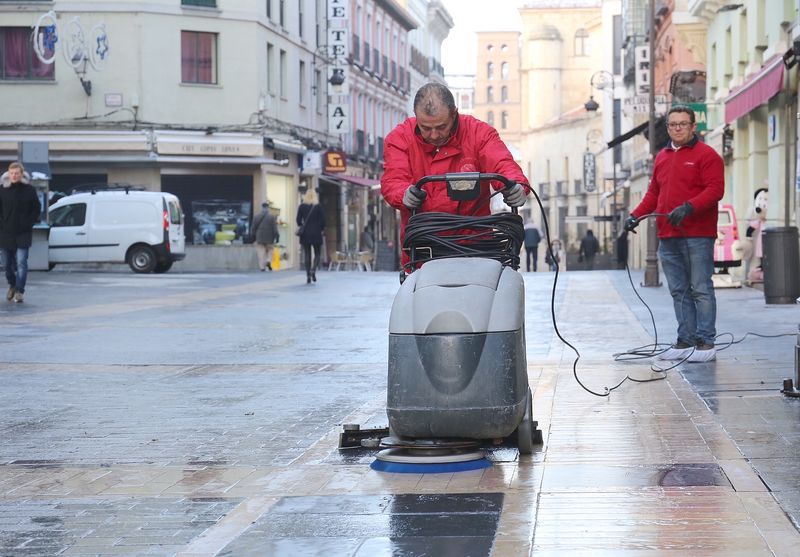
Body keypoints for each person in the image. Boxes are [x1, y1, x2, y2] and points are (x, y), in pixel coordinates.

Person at [381, 82, 530, 266]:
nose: (434, 135)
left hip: (475, 247)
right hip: (424, 250)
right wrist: (404, 194)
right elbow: (393, 179)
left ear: (454, 113)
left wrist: (515, 185)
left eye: (441, 127)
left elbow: (502, 164)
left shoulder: (479, 133)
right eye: (425, 128)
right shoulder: (400, 138)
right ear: (415, 117)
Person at [624, 105, 724, 363]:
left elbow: (715, 190)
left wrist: (690, 207)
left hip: (697, 234)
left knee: (700, 288)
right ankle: (685, 340)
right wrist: (635, 215)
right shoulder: (662, 157)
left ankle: (705, 342)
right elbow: (653, 195)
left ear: (693, 127)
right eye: (672, 124)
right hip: (668, 235)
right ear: (668, 127)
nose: (677, 128)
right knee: (678, 290)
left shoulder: (707, 155)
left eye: (683, 123)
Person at [0, 162, 41, 304]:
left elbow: (36, 208)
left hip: (23, 233)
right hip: (6, 233)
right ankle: (12, 284)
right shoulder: (2, 190)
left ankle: (19, 291)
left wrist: (29, 223)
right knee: (6, 264)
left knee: (22, 262)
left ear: (21, 174)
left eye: (17, 173)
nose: (14, 176)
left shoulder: (29, 190)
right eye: (12, 173)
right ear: (8, 174)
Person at [296, 188, 325, 284]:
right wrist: (320, 229)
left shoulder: (302, 207)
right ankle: (313, 270)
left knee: (307, 254)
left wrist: (302, 226)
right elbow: (323, 221)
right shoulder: (318, 207)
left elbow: (298, 220)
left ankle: (308, 275)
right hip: (316, 233)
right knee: (317, 253)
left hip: (305, 234)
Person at [251, 202, 279, 272]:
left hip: (259, 236)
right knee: (270, 249)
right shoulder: (272, 217)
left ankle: (262, 267)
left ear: (262, 207)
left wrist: (253, 236)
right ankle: (268, 260)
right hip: (270, 237)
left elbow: (253, 228)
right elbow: (275, 229)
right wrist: (277, 236)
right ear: (268, 208)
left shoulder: (256, 216)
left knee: (261, 252)